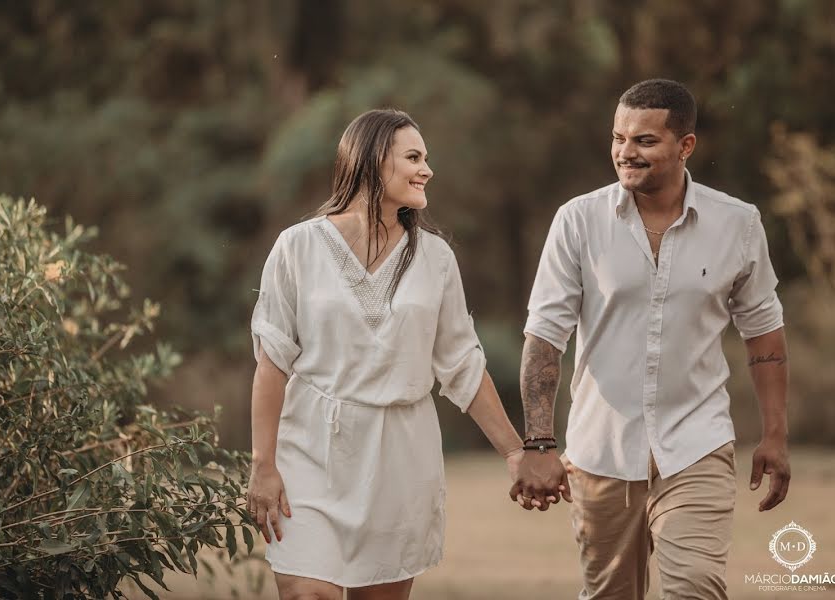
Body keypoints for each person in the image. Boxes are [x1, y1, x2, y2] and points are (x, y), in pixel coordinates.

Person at [510, 79, 791, 599]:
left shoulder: (738, 224)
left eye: (644, 141)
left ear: (685, 146)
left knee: (696, 588)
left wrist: (775, 433)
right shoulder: (579, 220)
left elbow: (763, 333)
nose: (625, 153)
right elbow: (545, 338)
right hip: (601, 452)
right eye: (618, 138)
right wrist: (540, 442)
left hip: (697, 443)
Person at [247, 108, 524, 600]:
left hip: (401, 456)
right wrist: (262, 463)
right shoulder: (297, 247)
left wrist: (515, 451)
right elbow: (272, 364)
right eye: (414, 157)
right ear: (373, 161)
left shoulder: (436, 257)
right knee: (307, 593)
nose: (427, 169)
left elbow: (462, 365)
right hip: (312, 451)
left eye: (426, 158)